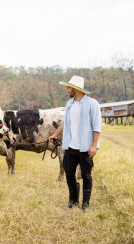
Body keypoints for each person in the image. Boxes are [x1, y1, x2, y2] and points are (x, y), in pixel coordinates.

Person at [49, 75, 102, 212]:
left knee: (86, 175)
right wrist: (55, 134)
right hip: (70, 147)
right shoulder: (69, 104)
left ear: (75, 89)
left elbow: (97, 126)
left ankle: (85, 204)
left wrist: (94, 145)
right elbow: (65, 123)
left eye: (68, 87)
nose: (67, 90)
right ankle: (73, 200)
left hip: (86, 148)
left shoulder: (92, 104)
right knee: (69, 174)